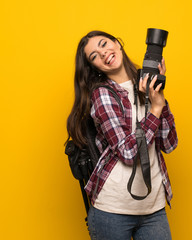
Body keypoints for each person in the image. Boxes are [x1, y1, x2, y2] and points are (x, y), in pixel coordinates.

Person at [66, 30, 178, 240]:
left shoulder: (145, 83)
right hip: (112, 211)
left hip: (153, 207)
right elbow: (128, 152)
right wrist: (154, 110)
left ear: (117, 43)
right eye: (94, 56)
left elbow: (169, 144)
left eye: (104, 44)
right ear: (95, 67)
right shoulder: (102, 95)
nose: (103, 53)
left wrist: (159, 100)